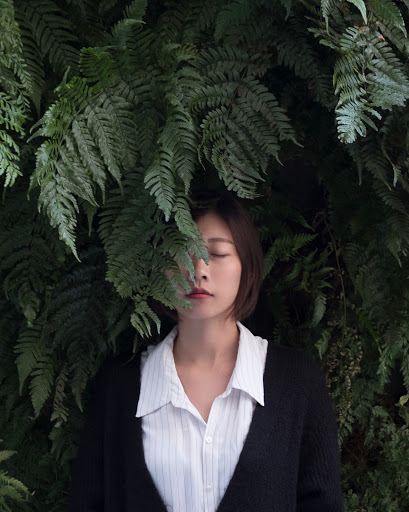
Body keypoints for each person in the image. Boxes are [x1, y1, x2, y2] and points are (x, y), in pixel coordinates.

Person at [67, 192, 344, 512]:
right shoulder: (119, 385)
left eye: (217, 252)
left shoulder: (297, 381)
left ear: (249, 267)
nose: (198, 269)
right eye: (179, 253)